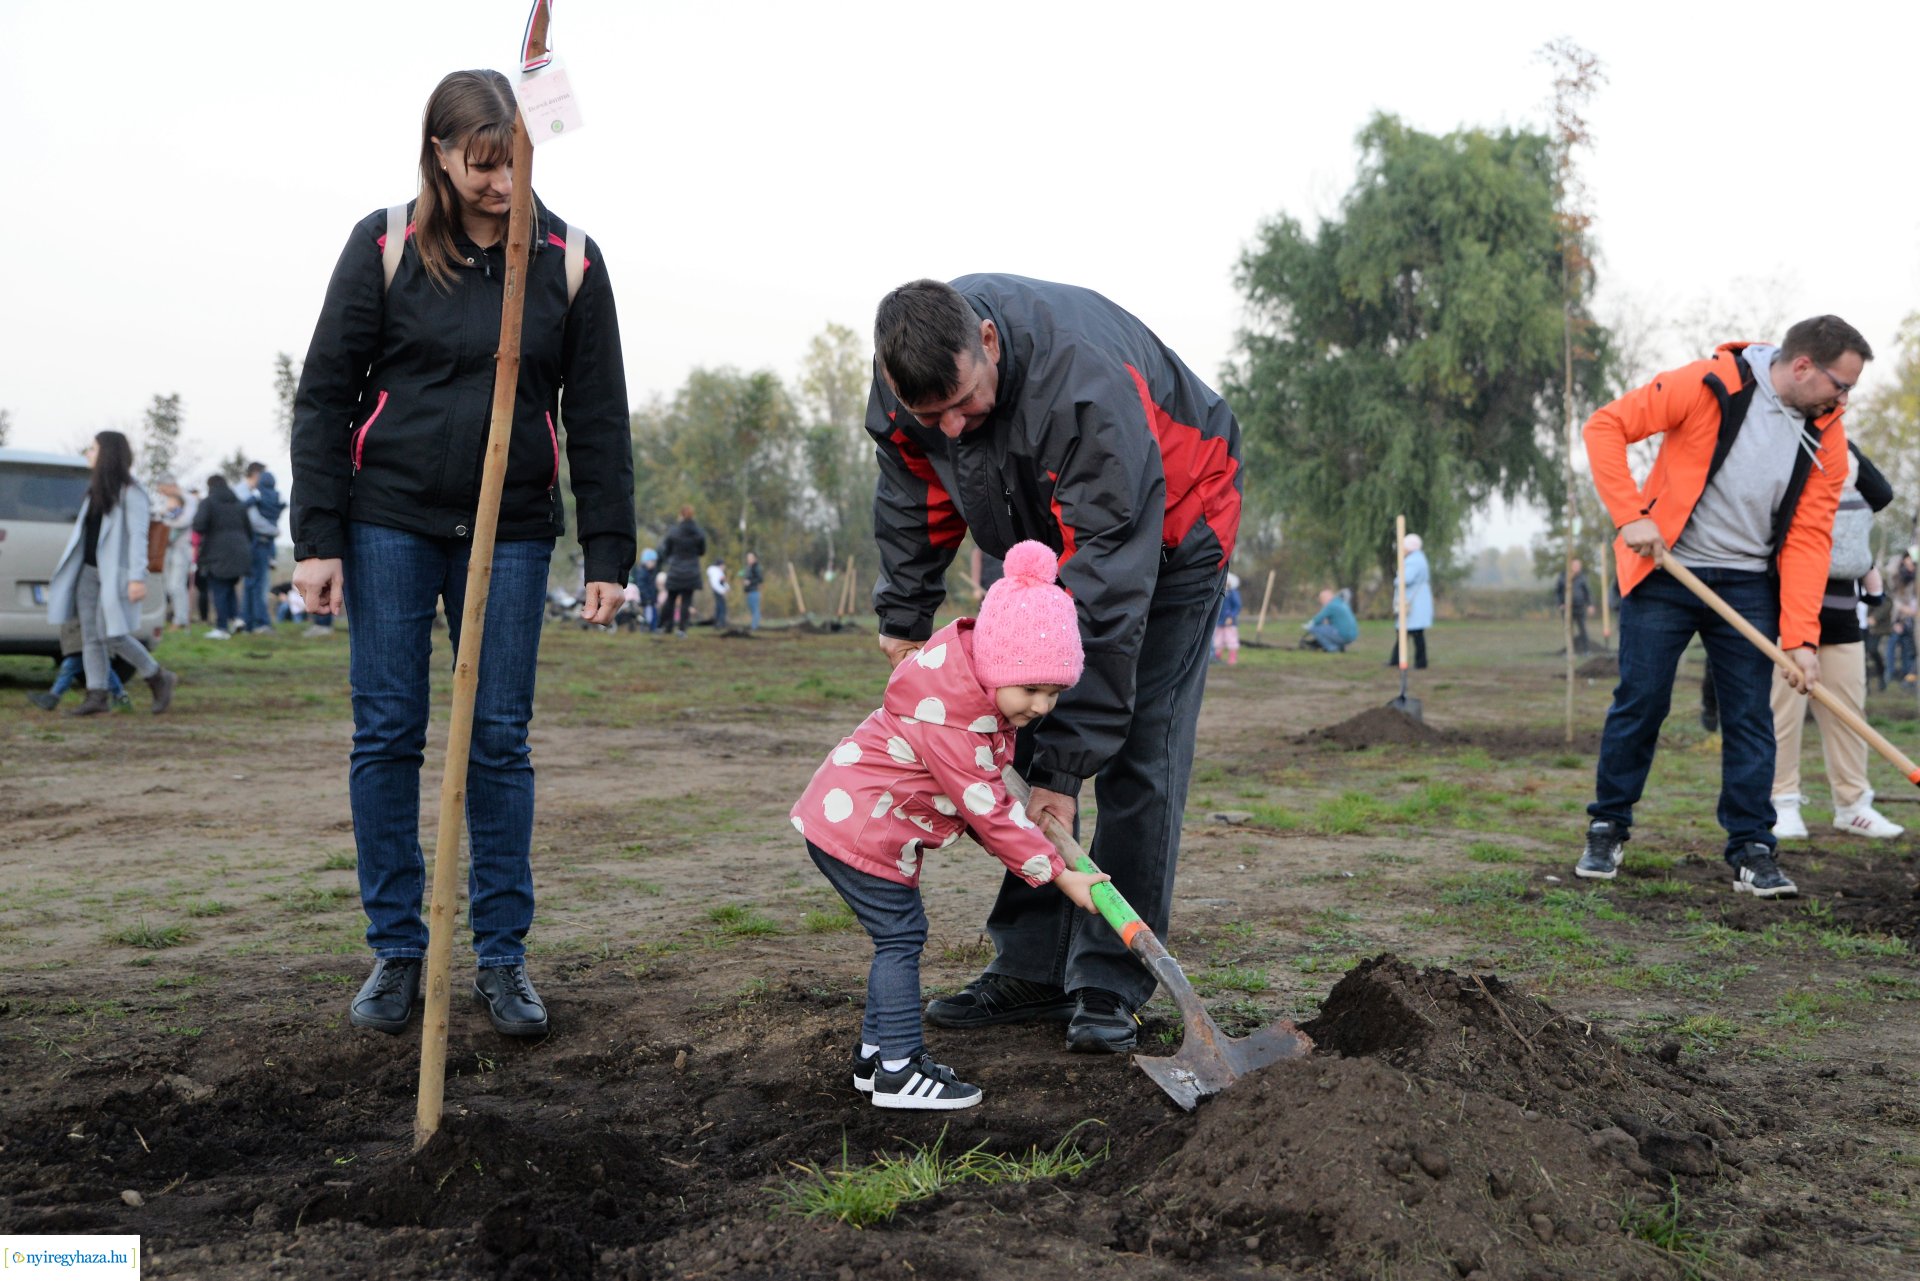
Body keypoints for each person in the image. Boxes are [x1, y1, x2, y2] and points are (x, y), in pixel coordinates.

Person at [289, 69, 635, 1040]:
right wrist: (317, 538)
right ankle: (398, 952)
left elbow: (598, 416)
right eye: (480, 165)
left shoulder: (567, 260)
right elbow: (324, 393)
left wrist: (609, 549)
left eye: (510, 162)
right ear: (441, 154)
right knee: (389, 732)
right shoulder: (385, 245)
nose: (497, 184)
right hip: (390, 520)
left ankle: (502, 959)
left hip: (514, 530)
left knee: (498, 743)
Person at [864, 275, 1241, 1053]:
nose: (955, 427)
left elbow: (1105, 598)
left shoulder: (1085, 388)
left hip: (1169, 531)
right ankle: (1032, 968)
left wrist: (1064, 776)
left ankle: (1109, 979)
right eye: (934, 416)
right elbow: (914, 491)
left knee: (1139, 749)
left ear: (989, 342)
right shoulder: (914, 391)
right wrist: (905, 616)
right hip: (1042, 538)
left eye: (965, 401)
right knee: (1021, 726)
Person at [793, 542, 1110, 1108]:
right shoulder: (955, 724)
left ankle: (875, 1059)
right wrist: (1061, 874)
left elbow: (992, 791)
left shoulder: (964, 692)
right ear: (994, 668)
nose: (1041, 706)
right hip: (858, 832)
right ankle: (899, 1071)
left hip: (862, 826)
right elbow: (989, 814)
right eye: (1031, 689)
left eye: (1055, 692)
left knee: (898, 935)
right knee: (900, 937)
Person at [1575, 316, 1866, 899]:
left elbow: (1810, 536)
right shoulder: (1710, 382)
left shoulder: (1825, 433)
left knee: (1750, 716)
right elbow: (1604, 425)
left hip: (1748, 584)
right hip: (1665, 569)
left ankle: (1752, 846)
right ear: (1804, 366)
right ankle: (1608, 824)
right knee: (1641, 699)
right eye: (1842, 384)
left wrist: (1801, 638)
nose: (1845, 398)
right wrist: (1631, 515)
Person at [1772, 445, 1903, 841]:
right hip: (1789, 609)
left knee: (1849, 711)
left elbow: (1880, 493)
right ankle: (1782, 803)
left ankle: (1852, 805)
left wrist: (1838, 439)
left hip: (1842, 611)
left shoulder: (1839, 453)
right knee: (1782, 714)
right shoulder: (1781, 457)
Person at [44, 431, 179, 715]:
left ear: (108, 454)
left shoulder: (132, 492)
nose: (88, 454)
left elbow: (139, 534)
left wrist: (136, 578)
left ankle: (157, 675)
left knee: (113, 634)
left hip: (114, 575)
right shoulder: (97, 489)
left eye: (93, 449)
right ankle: (97, 696)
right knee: (91, 636)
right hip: (88, 573)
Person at [192, 476, 253, 638]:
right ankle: (237, 619)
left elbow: (198, 525)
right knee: (228, 587)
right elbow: (249, 530)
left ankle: (222, 628)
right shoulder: (239, 504)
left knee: (218, 589)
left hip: (217, 553)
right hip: (241, 552)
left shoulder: (208, 503)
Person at [28, 620, 130, 711]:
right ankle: (120, 695)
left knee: (71, 666)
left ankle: (53, 696)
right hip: (84, 636)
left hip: (86, 637)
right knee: (102, 668)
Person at [240, 462, 284, 634]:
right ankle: (259, 622)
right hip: (266, 545)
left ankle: (252, 622)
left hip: (255, 543)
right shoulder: (276, 498)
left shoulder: (258, 497)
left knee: (252, 585)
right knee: (259, 584)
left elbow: (245, 508)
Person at [154, 477, 197, 631]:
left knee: (176, 584)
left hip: (182, 548)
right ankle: (166, 617)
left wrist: (165, 523)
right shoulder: (167, 505)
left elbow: (184, 521)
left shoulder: (189, 500)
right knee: (166, 585)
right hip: (166, 549)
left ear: (171, 485)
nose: (163, 495)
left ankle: (181, 619)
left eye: (163, 491)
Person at [657, 506, 706, 637]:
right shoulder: (699, 533)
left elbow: (666, 551)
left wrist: (672, 559)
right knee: (686, 601)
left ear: (681, 516)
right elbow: (702, 551)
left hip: (676, 570)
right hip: (691, 571)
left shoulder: (673, 532)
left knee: (670, 599)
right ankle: (682, 630)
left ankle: (664, 626)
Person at [1387, 533, 1432, 668]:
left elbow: (1405, 579)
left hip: (1414, 604)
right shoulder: (1418, 559)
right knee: (1405, 632)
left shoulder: (1414, 561)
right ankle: (1396, 659)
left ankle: (1420, 662)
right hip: (1416, 602)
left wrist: (1396, 580)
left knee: (1414, 633)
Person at [1556, 558, 1595, 656]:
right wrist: (1560, 603)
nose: (1577, 567)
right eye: (1575, 565)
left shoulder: (1582, 578)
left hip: (1580, 607)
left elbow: (1587, 592)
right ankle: (1570, 650)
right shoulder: (1563, 577)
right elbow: (1558, 591)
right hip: (1567, 607)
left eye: (1579, 565)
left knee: (1582, 628)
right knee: (1569, 629)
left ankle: (1586, 650)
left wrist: (1590, 604)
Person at [1301, 587, 1359, 652]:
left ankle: (1332, 648)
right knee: (1329, 629)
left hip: (1343, 635)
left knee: (1314, 628)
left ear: (1325, 598)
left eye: (1321, 599)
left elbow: (1317, 619)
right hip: (1353, 635)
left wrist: (1308, 626)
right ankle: (1340, 647)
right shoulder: (1342, 603)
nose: (1321, 602)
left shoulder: (1331, 605)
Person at [1211, 572, 1242, 666]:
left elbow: (1237, 606)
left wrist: (1231, 616)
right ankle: (1217, 657)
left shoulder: (1233, 593)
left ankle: (1232, 658)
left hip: (1229, 621)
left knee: (1231, 639)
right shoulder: (1220, 591)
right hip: (1219, 620)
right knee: (1218, 639)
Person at [634, 548, 660, 632]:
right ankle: (646, 629)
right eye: (652, 561)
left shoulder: (652, 572)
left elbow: (653, 587)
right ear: (646, 561)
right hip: (646, 599)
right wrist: (647, 597)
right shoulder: (642, 572)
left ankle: (654, 628)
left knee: (654, 614)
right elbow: (642, 586)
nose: (654, 564)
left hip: (652, 599)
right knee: (647, 615)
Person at [706, 556, 730, 630]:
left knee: (719, 608)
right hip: (718, 592)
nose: (724, 566)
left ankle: (718, 623)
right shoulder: (716, 572)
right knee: (721, 608)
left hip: (719, 592)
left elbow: (722, 582)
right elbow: (715, 584)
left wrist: (727, 588)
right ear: (720, 565)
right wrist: (722, 591)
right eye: (723, 565)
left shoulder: (718, 572)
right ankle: (720, 623)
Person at [742, 550, 765, 630]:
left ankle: (754, 627)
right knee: (753, 610)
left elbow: (760, 579)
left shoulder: (756, 567)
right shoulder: (749, 567)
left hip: (754, 591)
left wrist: (750, 582)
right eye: (748, 557)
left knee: (755, 610)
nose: (748, 559)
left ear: (755, 558)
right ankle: (755, 625)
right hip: (749, 592)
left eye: (750, 557)